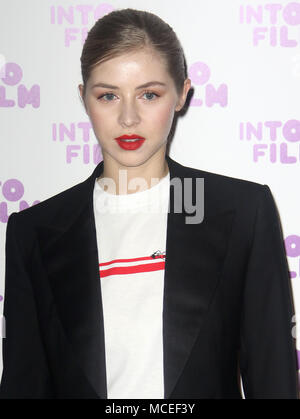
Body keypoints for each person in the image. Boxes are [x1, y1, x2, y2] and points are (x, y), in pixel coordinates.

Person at [0, 8, 298, 399]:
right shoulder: (35, 231)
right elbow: (24, 383)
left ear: (182, 95)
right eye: (108, 95)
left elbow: (272, 376)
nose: (128, 117)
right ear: (83, 99)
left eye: (149, 94)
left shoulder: (241, 212)